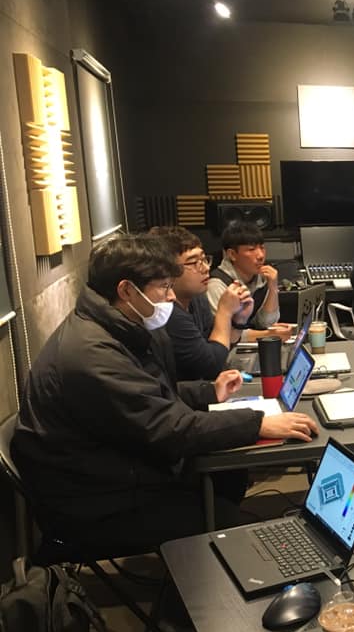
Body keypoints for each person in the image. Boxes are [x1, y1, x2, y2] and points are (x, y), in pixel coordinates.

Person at [12, 233, 319, 555]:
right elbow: (168, 428)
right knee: (222, 514)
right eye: (163, 287)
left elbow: (147, 393)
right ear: (126, 290)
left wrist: (208, 392)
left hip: (114, 472)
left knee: (227, 475)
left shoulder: (114, 326)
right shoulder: (93, 355)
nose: (171, 297)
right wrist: (258, 424)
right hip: (96, 502)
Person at [149, 226, 253, 380]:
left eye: (204, 260)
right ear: (167, 271)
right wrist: (225, 312)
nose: (205, 268)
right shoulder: (168, 313)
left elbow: (218, 348)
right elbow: (210, 367)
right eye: (193, 263)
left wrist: (239, 321)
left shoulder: (197, 298)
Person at [206, 220, 293, 341]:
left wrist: (273, 288)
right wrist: (268, 335)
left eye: (262, 248)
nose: (260, 256)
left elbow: (266, 323)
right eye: (251, 249)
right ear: (232, 254)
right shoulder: (216, 285)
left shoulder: (261, 278)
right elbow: (225, 334)